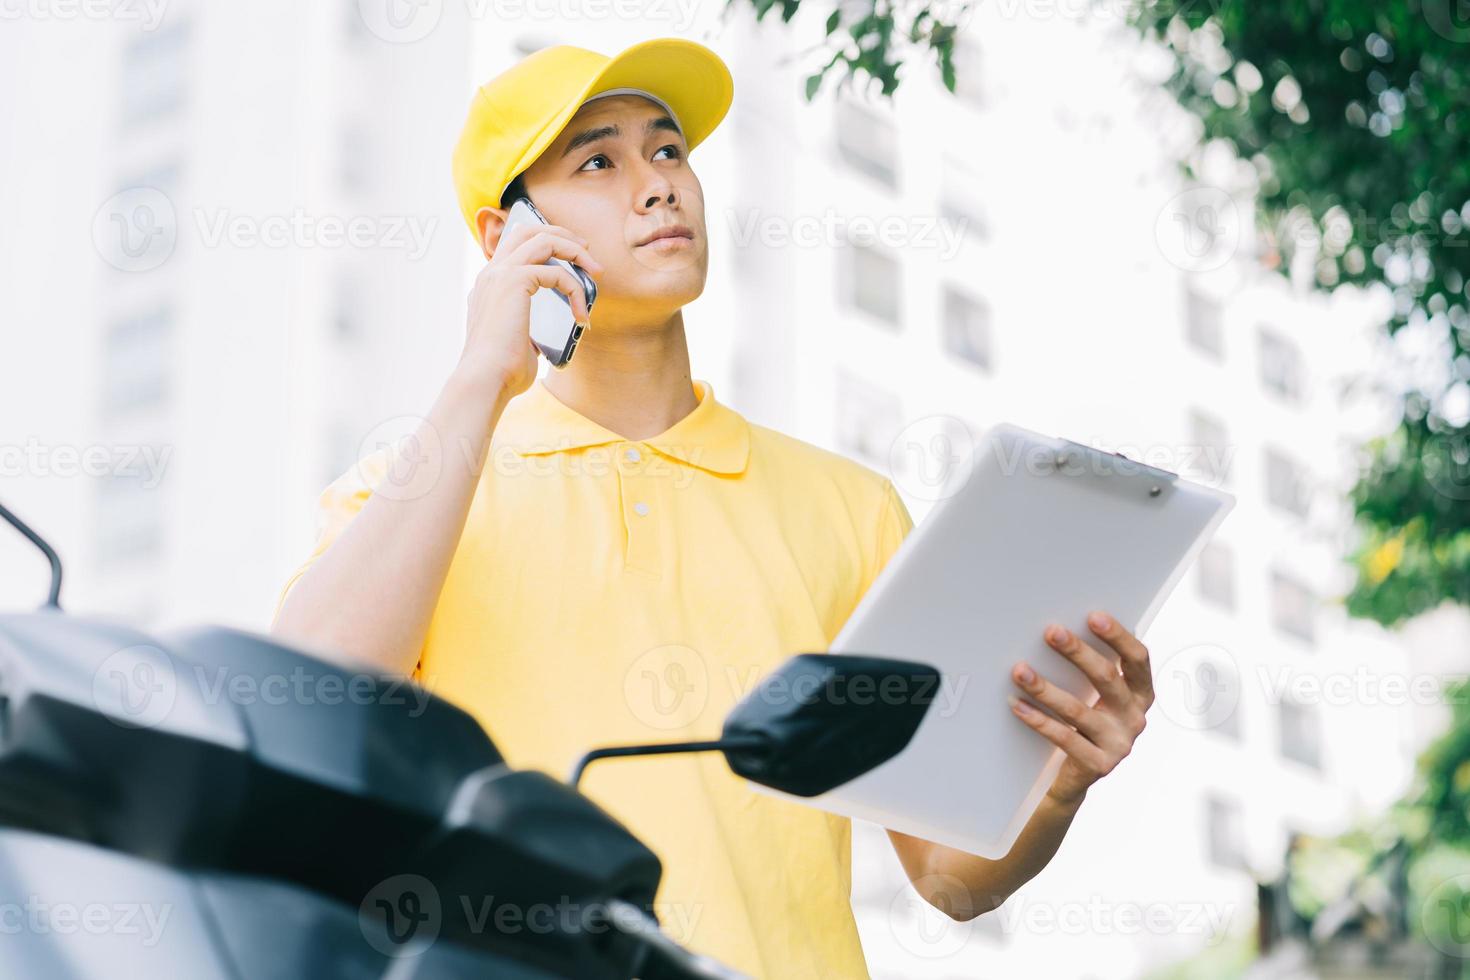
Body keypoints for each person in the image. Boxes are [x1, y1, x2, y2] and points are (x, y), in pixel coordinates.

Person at [269, 37, 1156, 979]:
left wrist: (1057, 786)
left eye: (668, 151)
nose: (657, 185)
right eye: (598, 161)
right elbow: (302, 701)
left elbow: (951, 880)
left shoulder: (850, 510)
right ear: (505, 237)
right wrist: (483, 374)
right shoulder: (418, 489)